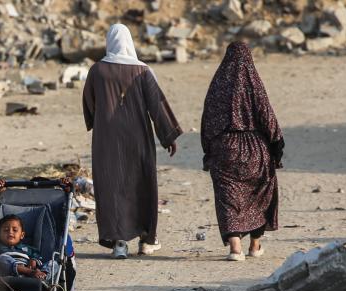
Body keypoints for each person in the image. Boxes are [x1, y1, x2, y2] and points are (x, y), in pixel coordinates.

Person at [82, 24, 183, 259]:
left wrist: (101, 119)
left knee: (112, 186)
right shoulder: (142, 71)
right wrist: (168, 136)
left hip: (107, 140)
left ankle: (119, 243)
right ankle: (146, 240)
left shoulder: (97, 70)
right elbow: (157, 105)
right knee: (141, 184)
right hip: (138, 138)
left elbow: (89, 103)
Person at [200, 42, 284, 262]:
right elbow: (266, 115)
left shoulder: (218, 84)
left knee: (228, 198)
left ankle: (235, 248)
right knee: (259, 195)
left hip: (225, 149)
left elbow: (208, 120)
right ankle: (255, 245)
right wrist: (277, 146)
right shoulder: (253, 83)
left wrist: (209, 150)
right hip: (255, 148)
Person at [0, 214, 51, 280]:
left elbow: (38, 257)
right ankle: (30, 272)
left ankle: (43, 276)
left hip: (29, 275)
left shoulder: (28, 249)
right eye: (6, 230)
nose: (10, 232)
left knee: (53, 263)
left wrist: (34, 260)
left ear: (22, 235)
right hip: (7, 275)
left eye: (15, 230)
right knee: (2, 259)